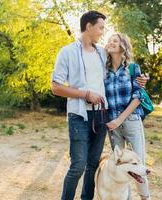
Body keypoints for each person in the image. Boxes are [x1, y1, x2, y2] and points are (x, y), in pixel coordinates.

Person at [51, 11, 147, 200]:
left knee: (93, 164)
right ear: (89, 26)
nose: (103, 32)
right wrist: (85, 94)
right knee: (78, 164)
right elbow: (56, 87)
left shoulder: (102, 54)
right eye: (101, 27)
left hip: (101, 116)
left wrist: (141, 79)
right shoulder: (67, 52)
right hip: (79, 116)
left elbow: (121, 67)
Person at [104, 32, 151, 200]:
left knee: (139, 164)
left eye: (115, 41)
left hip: (131, 121)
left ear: (123, 45)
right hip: (112, 125)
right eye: (109, 41)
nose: (111, 43)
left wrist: (119, 119)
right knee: (120, 166)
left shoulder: (132, 68)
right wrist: (113, 121)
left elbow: (138, 97)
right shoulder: (104, 69)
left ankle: (145, 197)